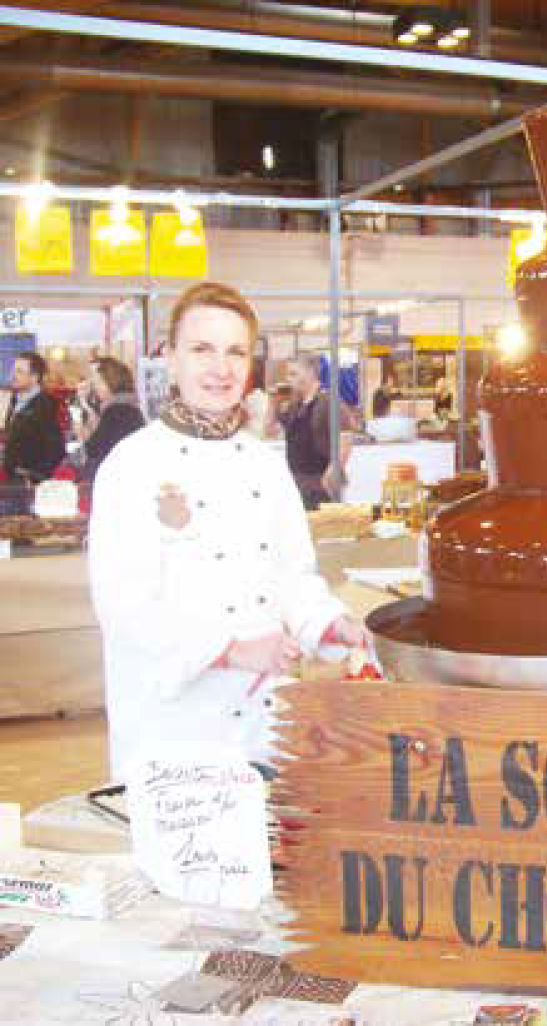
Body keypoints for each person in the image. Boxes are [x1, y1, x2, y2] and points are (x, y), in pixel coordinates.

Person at [88, 282, 367, 784]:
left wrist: (335, 624)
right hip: (171, 731)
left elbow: (291, 575)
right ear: (170, 359)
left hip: (263, 725)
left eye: (235, 351)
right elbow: (125, 608)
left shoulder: (263, 463)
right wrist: (234, 650)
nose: (221, 368)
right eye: (202, 349)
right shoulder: (131, 465)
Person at [274, 354, 355, 510]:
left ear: (310, 373)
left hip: (320, 480)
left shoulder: (329, 402)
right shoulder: (295, 405)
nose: (288, 379)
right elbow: (268, 430)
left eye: (293, 374)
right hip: (297, 480)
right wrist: (273, 403)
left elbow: (345, 437)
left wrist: (334, 469)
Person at [77, 356, 145, 483]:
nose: (94, 387)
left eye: (96, 382)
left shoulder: (118, 410)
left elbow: (92, 449)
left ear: (109, 381)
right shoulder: (124, 406)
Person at [3, 350, 65, 486]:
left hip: (29, 482)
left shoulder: (45, 406)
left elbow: (56, 448)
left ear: (35, 377)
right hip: (13, 478)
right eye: (14, 370)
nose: (13, 375)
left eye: (19, 371)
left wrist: (35, 476)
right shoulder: (16, 400)